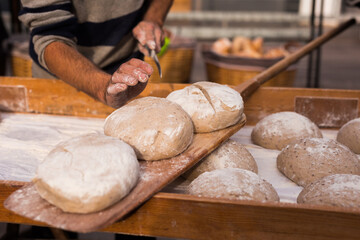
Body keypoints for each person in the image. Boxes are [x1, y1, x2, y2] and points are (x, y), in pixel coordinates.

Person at [18, 0, 174, 109]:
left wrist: (153, 18)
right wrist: (102, 87)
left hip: (128, 80)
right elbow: (50, 37)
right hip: (60, 83)